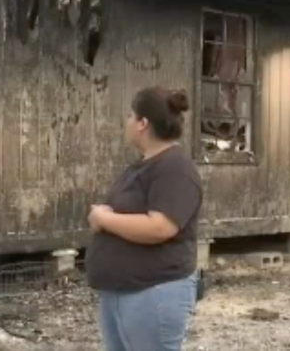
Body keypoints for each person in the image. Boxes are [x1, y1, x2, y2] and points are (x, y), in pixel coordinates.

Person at [85, 86, 203, 351]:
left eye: (130, 115)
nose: (126, 122)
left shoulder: (175, 168)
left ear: (142, 123)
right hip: (122, 290)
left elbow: (161, 226)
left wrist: (105, 220)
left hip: (153, 292)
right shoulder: (144, 165)